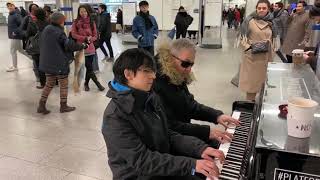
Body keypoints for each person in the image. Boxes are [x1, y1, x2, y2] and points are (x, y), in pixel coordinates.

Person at [102, 48, 225, 180]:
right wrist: (191, 164)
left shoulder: (149, 97)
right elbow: (142, 160)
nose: (154, 76)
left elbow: (167, 134)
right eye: (147, 71)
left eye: (153, 71)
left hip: (161, 163)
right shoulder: (114, 117)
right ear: (128, 74)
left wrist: (199, 148)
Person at [153, 39, 239, 148]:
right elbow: (168, 125)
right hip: (169, 141)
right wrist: (206, 132)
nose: (189, 69)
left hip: (182, 134)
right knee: (218, 150)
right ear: (170, 58)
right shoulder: (155, 82)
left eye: (191, 64)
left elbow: (190, 105)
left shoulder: (175, 74)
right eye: (185, 64)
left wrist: (217, 116)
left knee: (224, 145)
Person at [37, 12, 88, 114]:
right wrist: (82, 46)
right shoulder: (59, 32)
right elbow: (69, 45)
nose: (64, 23)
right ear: (60, 21)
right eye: (63, 21)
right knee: (64, 85)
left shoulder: (47, 29)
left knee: (49, 84)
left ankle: (41, 105)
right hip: (59, 63)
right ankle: (63, 106)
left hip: (47, 63)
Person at [239, 0, 275, 101]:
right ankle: (250, 108)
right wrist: (249, 48)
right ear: (256, 8)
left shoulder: (271, 22)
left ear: (268, 9)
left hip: (266, 57)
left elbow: (274, 37)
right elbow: (241, 38)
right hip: (253, 58)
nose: (261, 10)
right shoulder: (249, 21)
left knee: (264, 85)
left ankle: (260, 109)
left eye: (264, 8)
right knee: (252, 87)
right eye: (259, 8)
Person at [71, 5, 105, 92]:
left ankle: (86, 83)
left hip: (91, 48)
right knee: (89, 68)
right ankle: (98, 84)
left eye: (85, 11)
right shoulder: (76, 22)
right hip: (81, 48)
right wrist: (85, 38)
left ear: (88, 12)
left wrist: (90, 39)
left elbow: (95, 35)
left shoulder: (91, 22)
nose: (83, 13)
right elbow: (73, 34)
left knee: (89, 68)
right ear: (79, 12)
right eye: (81, 11)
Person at [26, 8, 49, 89]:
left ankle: (43, 83)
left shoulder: (32, 24)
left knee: (40, 66)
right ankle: (54, 82)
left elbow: (27, 35)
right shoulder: (49, 23)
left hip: (37, 49)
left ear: (35, 15)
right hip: (48, 48)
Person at [6, 2, 29, 72]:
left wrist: (15, 32)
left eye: (11, 6)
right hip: (12, 36)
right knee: (21, 51)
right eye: (8, 6)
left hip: (15, 36)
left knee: (12, 51)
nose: (10, 7)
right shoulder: (10, 15)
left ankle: (15, 67)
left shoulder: (17, 15)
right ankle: (35, 59)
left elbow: (22, 25)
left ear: (14, 6)